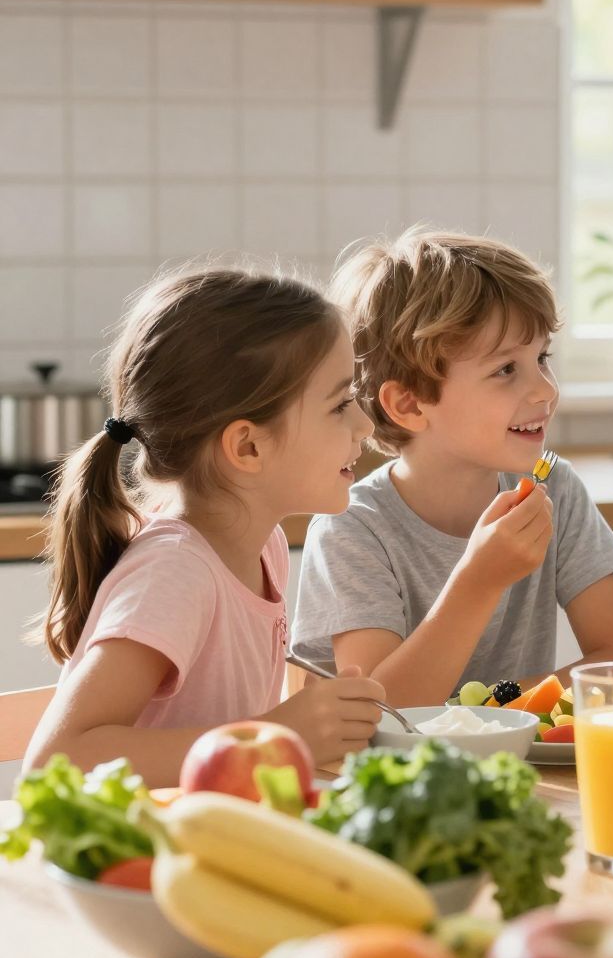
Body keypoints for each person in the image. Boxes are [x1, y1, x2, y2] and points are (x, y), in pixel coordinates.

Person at [27, 267, 385, 783]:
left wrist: (305, 725)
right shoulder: (175, 573)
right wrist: (275, 735)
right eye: (340, 405)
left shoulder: (265, 546)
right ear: (247, 446)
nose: (364, 425)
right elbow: (58, 761)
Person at [292, 229, 613, 706]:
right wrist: (479, 581)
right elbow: (380, 713)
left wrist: (491, 706)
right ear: (409, 404)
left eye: (542, 357)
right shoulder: (352, 530)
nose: (545, 390)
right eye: (506, 369)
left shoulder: (553, 488)